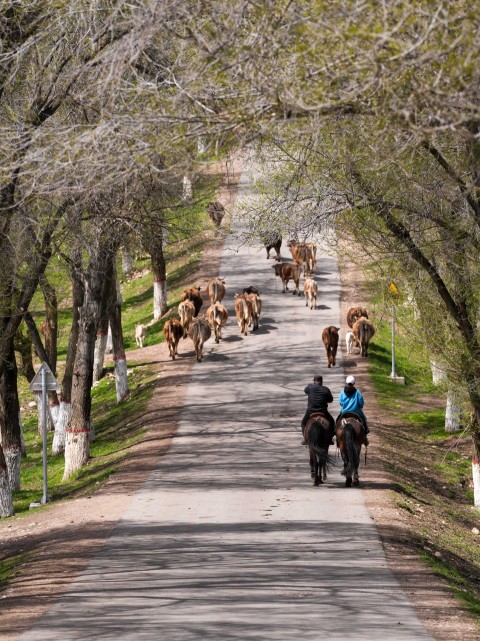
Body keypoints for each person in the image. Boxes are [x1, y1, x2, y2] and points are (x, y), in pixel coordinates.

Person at [301, 375, 335, 445]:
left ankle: (305, 439)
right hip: (323, 411)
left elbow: (305, 391)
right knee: (332, 422)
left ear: (314, 381)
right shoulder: (326, 389)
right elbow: (330, 400)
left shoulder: (310, 387)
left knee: (303, 423)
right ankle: (330, 439)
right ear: (322, 381)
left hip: (310, 411)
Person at [338, 375, 370, 445]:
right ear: (354, 383)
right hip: (356, 412)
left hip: (344, 413)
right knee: (364, 420)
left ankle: (337, 438)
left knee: (337, 421)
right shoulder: (358, 392)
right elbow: (361, 404)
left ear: (346, 383)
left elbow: (340, 402)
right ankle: (364, 437)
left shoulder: (342, 392)